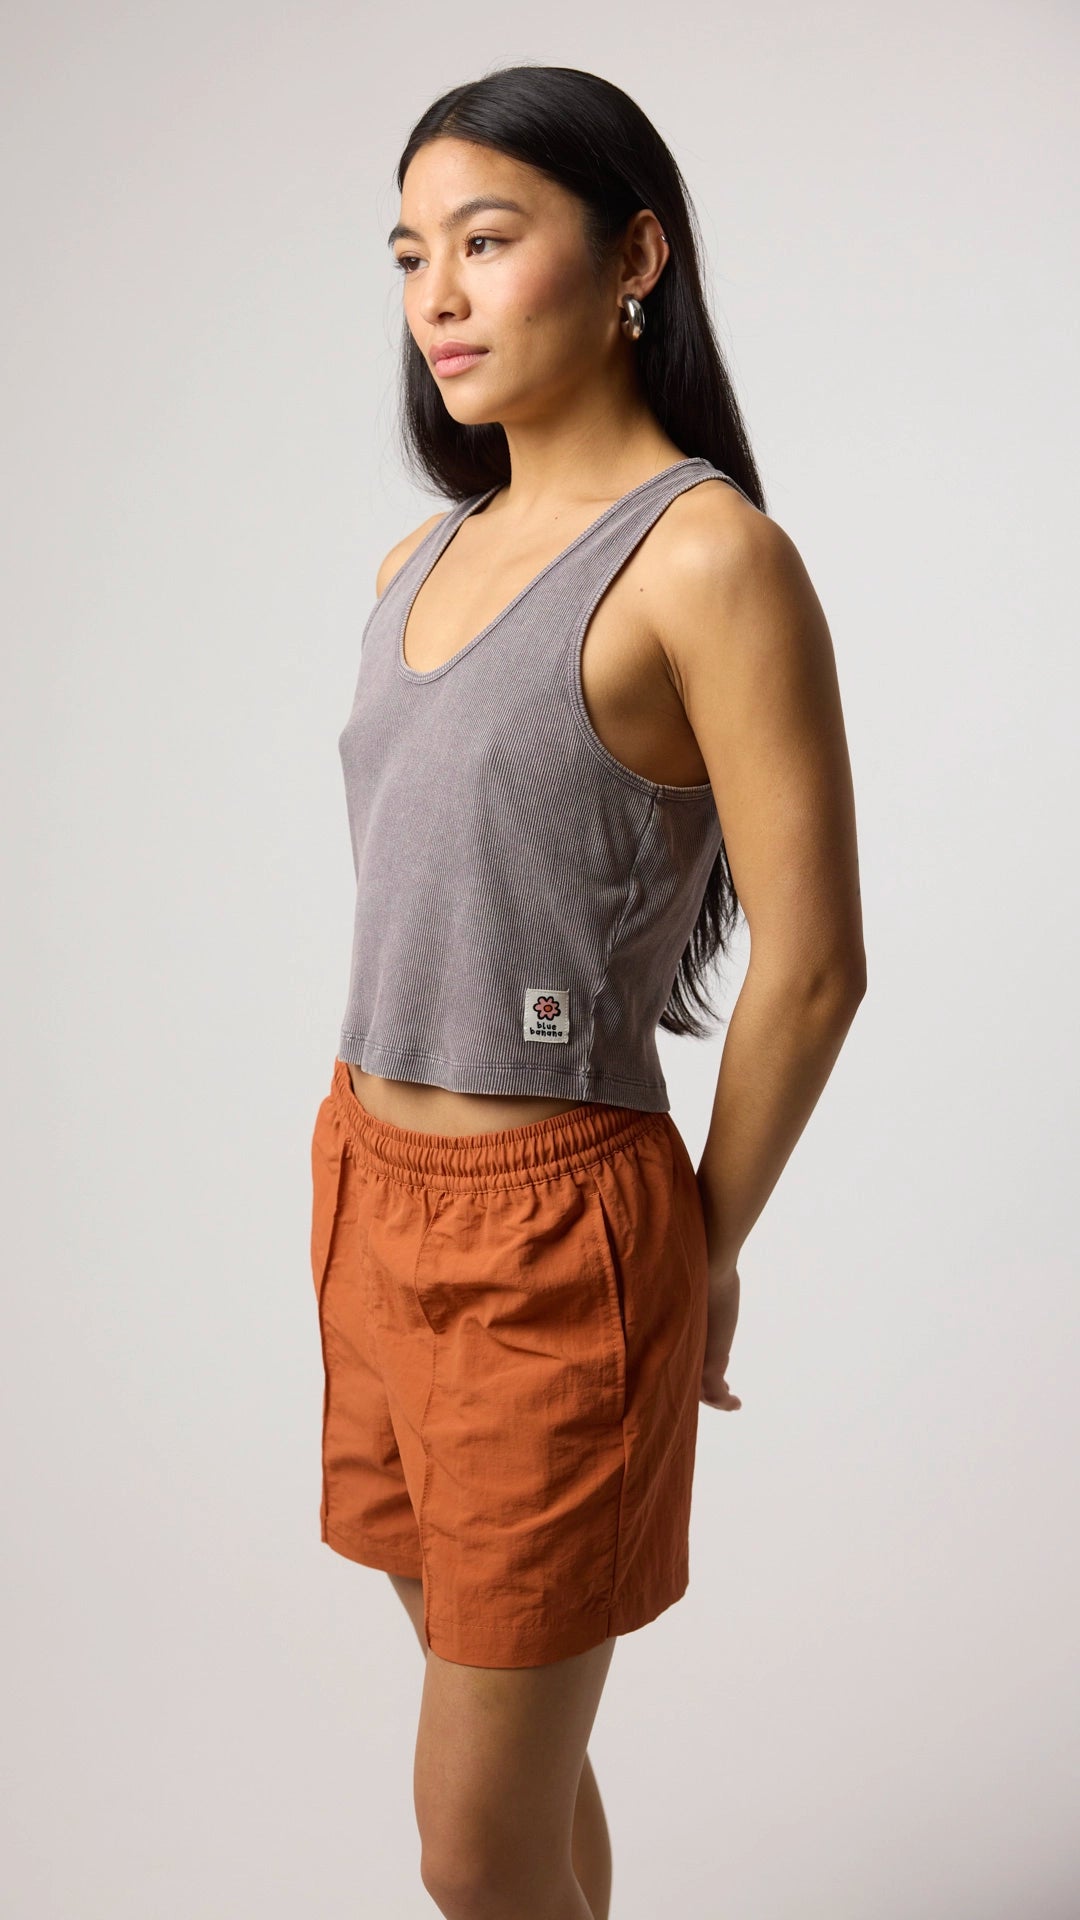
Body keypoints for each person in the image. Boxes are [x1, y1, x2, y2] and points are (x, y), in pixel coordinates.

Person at [308, 63, 866, 1920]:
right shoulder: (419, 556)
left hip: (554, 1240)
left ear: (635, 258)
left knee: (471, 1847)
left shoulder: (710, 557)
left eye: (487, 241)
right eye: (411, 255)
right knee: (523, 1791)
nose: (440, 296)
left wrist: (704, 1243)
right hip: (366, 1189)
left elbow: (818, 962)